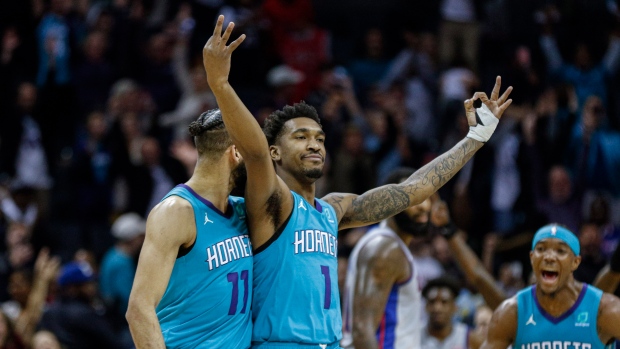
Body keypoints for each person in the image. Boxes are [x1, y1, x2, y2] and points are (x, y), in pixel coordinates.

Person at [202, 15, 512, 348]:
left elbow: (412, 190)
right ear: (275, 152)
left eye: (320, 138)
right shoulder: (271, 202)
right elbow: (255, 152)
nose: (314, 144)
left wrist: (476, 137)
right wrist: (220, 84)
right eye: (301, 137)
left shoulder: (332, 210)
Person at [125, 109, 252, 348]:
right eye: (252, 149)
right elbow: (139, 309)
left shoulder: (243, 210)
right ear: (235, 152)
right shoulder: (175, 211)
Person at [481, 224, 620, 348]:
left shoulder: (606, 310)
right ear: (531, 258)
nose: (549, 257)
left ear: (575, 262)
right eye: (541, 249)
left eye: (560, 251)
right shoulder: (511, 313)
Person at [340, 167, 429, 349]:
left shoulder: (388, 244)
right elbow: (362, 331)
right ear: (391, 203)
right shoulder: (386, 249)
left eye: (427, 197)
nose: (423, 206)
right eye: (414, 198)